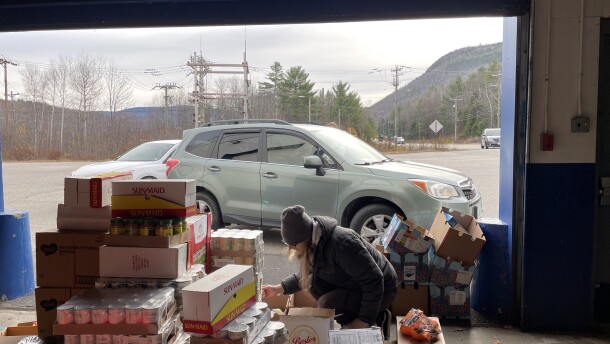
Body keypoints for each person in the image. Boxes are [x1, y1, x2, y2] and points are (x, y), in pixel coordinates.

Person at [261, 205, 398, 330]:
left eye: (294, 244)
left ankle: (374, 317)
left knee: (327, 302)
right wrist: (278, 288)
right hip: (353, 280)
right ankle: (348, 316)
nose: (291, 248)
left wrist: (363, 320)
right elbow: (306, 274)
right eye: (287, 243)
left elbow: (374, 279)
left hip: (383, 288)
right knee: (313, 284)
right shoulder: (315, 241)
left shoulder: (343, 244)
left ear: (305, 236)